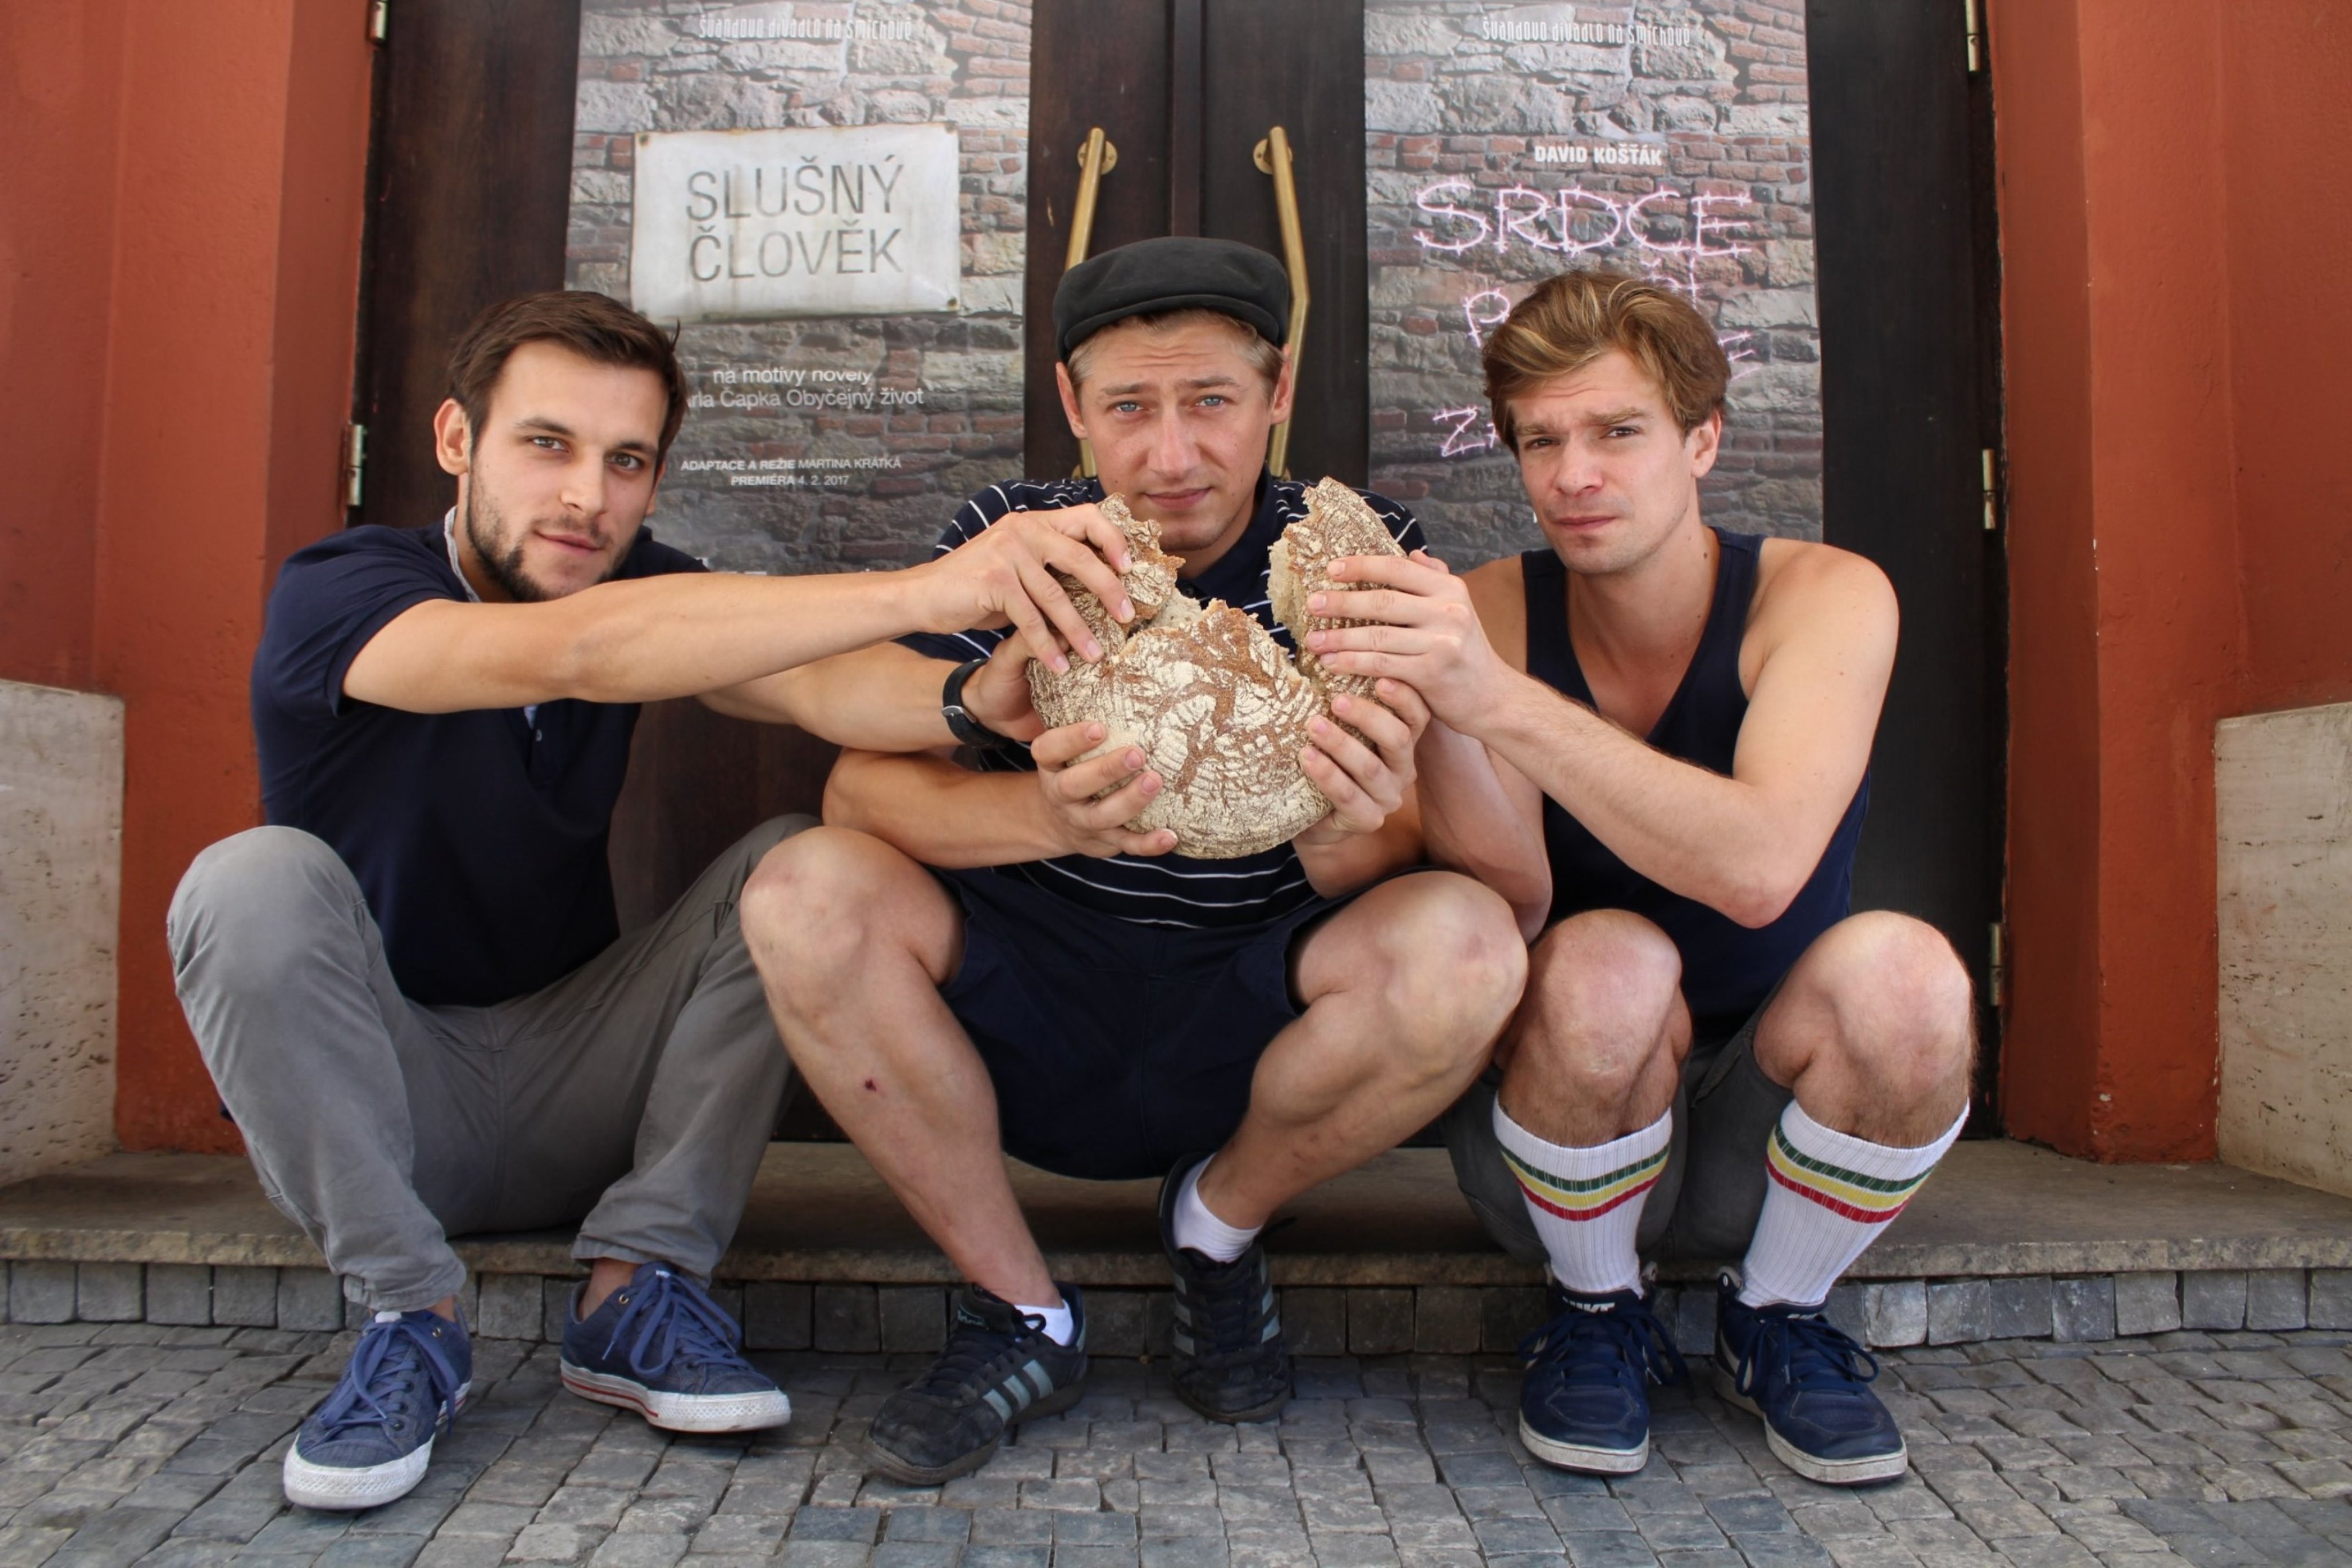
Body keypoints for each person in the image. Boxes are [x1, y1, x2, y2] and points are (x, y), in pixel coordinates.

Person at [167, 290, 1136, 1511]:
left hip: (576, 1092)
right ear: (457, 439)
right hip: (382, 1117)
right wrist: (932, 587)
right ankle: (410, 1315)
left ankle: (638, 1288)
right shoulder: (343, 591)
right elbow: (577, 649)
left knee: (795, 866)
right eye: (547, 444)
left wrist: (971, 700)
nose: (587, 496)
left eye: (626, 461)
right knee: (246, 879)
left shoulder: (648, 592)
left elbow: (819, 682)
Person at [739, 237, 1528, 1484]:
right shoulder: (1014, 543)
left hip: (1254, 1021)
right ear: (1071, 403)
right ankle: (1021, 1311)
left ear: (1277, 391)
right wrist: (1056, 819)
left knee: (1466, 945)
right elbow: (859, 794)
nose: (1171, 456)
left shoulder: (1356, 559)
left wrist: (1337, 825)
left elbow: (1418, 854)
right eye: (1128, 408)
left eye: (1211, 400)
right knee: (803, 888)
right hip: (1027, 1004)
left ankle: (1216, 1229)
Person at [1307, 270, 1973, 1486]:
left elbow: (1761, 869)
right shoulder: (1486, 613)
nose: (1573, 475)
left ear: (1701, 439)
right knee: (1609, 958)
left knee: (1912, 975)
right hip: (1558, 1136)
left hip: (1771, 1144)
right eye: (1540, 441)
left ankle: (1776, 1313)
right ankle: (1594, 1309)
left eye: (1617, 432)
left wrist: (1497, 701)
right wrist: (1430, 730)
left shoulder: (1823, 595)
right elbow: (1510, 904)